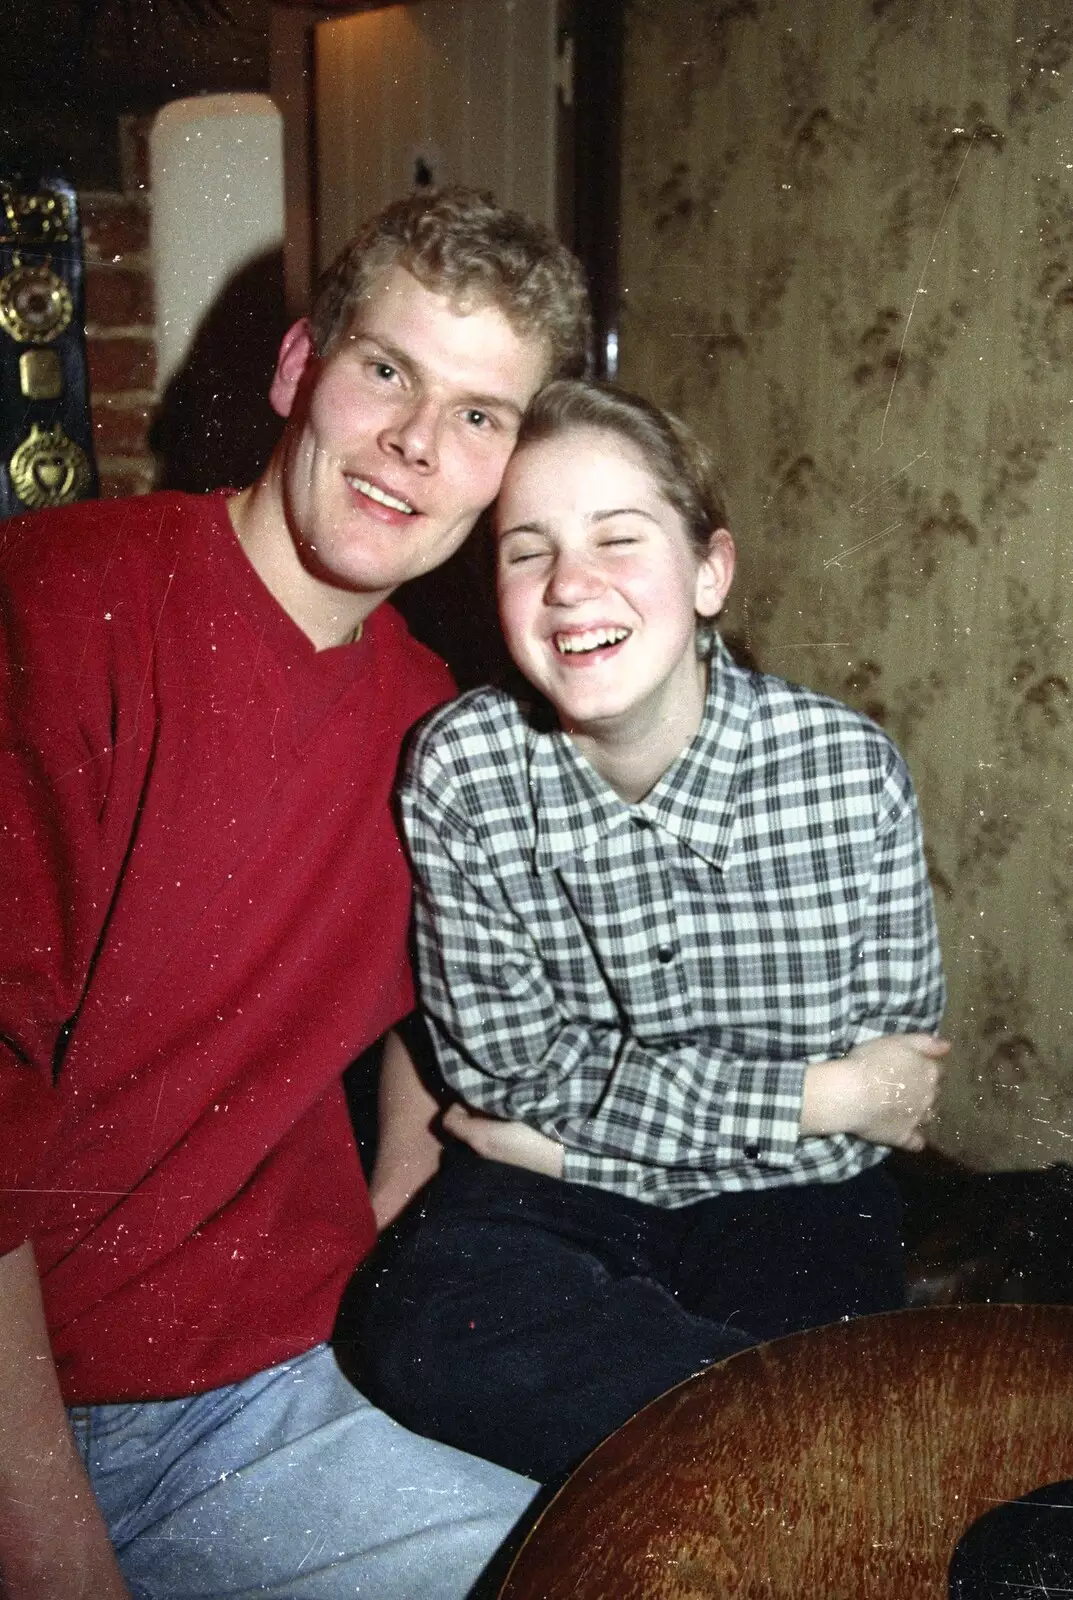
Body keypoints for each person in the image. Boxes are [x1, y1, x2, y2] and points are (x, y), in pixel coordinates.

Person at [0, 188, 590, 1600]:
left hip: (267, 1393)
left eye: (478, 416)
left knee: (643, 1552)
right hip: (45, 1417)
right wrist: (54, 1556)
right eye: (386, 371)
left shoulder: (441, 730)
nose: (411, 446)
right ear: (296, 367)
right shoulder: (60, 603)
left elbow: (446, 1019)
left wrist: (392, 1218)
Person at [358, 379, 950, 1485]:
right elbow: (502, 1070)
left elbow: (892, 1095)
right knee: (420, 1331)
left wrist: (558, 1130)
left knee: (811, 1349)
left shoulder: (845, 772)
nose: (571, 585)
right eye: (525, 550)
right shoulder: (460, 769)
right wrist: (807, 1094)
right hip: (552, 1192)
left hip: (789, 1197)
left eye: (618, 540)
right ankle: (803, 1444)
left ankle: (800, 1439)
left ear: (708, 571)